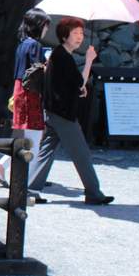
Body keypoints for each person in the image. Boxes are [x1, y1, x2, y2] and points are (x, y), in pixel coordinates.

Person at [27, 16, 114, 205]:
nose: (79, 37)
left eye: (81, 33)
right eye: (75, 33)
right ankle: (93, 193)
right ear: (64, 36)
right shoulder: (63, 57)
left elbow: (68, 85)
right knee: (81, 153)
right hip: (63, 114)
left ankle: (29, 191)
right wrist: (90, 61)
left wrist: (78, 89)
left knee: (46, 151)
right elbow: (79, 81)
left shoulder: (60, 55)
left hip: (53, 111)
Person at [0, 8, 52, 188]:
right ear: (38, 26)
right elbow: (37, 71)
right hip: (30, 94)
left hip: (20, 91)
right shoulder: (34, 45)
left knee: (23, 137)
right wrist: (49, 63)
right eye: (45, 26)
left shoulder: (23, 43)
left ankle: (2, 166)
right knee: (33, 139)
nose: (46, 30)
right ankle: (23, 183)